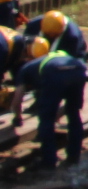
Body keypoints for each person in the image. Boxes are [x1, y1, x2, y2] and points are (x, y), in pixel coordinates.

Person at [18, 34, 82, 171]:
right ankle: (74, 156)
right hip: (78, 69)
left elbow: (17, 99)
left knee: (46, 118)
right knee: (74, 114)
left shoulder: (26, 69)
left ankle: (49, 161)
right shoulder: (59, 55)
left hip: (53, 73)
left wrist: (17, 117)